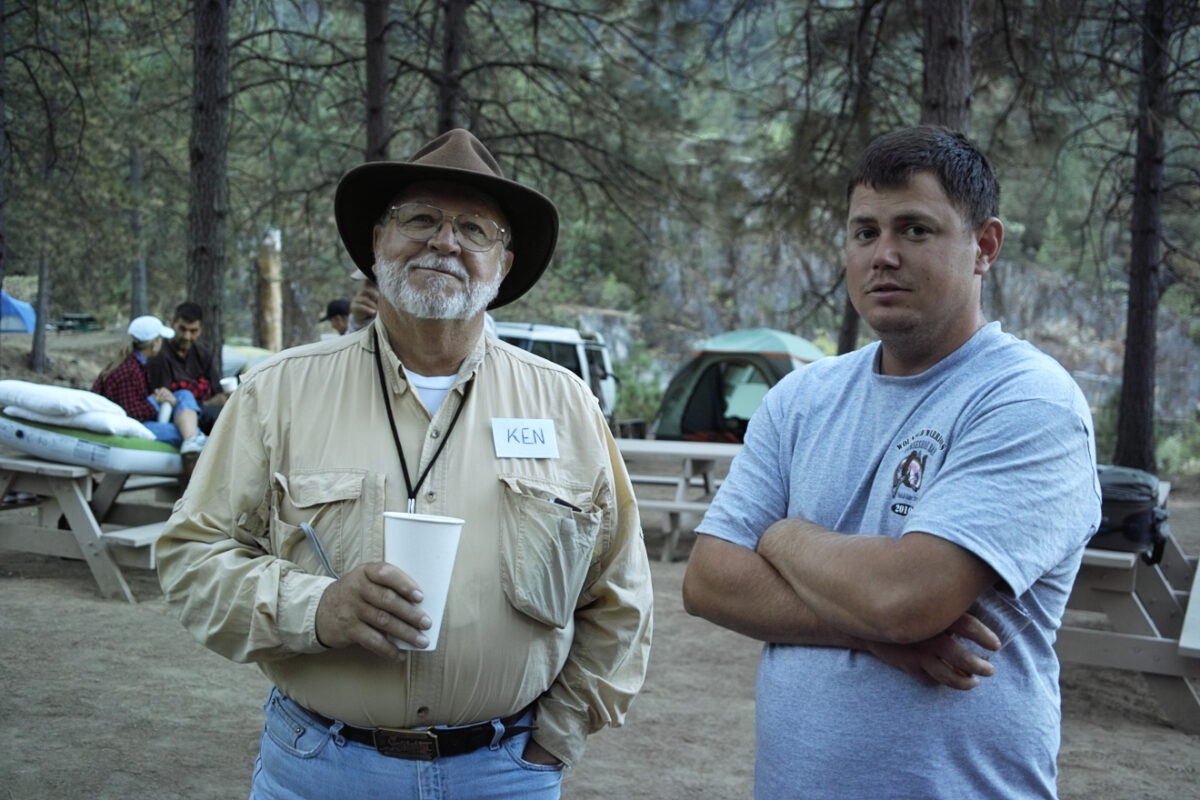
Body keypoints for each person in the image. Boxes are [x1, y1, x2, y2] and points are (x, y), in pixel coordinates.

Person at [156, 128, 653, 799]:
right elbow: (192, 556)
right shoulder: (280, 392)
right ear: (376, 243)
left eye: (475, 229)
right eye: (420, 218)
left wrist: (555, 736)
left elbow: (620, 593)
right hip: (319, 769)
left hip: (503, 775)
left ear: (503, 263)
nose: (445, 242)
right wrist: (316, 607)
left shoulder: (565, 406)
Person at [682, 126, 1101, 799]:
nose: (884, 256)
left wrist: (780, 534)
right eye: (864, 232)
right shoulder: (802, 398)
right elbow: (709, 580)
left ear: (984, 247)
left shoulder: (1029, 401)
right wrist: (874, 635)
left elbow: (907, 598)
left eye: (915, 230)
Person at [91, 314, 205, 453]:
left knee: (184, 395)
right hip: (128, 424)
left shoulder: (135, 364)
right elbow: (129, 414)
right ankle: (192, 440)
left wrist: (157, 397)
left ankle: (191, 440)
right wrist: (154, 400)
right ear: (155, 343)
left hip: (134, 420)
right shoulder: (129, 371)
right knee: (190, 431)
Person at [146, 301, 228, 437]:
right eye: (182, 329)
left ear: (200, 330)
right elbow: (165, 399)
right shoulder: (160, 355)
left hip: (209, 415)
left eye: (193, 331)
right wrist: (206, 403)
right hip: (177, 418)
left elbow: (218, 395)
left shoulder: (203, 355)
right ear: (173, 324)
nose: (186, 336)